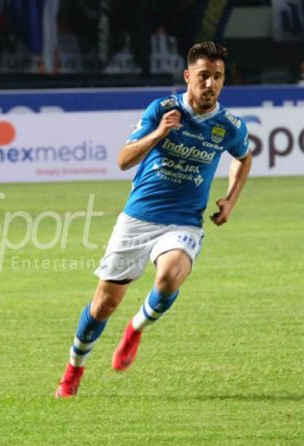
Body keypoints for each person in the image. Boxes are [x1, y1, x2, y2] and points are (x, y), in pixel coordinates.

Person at [55, 41, 253, 397]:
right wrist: (160, 132)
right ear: (188, 76)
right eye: (204, 76)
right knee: (104, 305)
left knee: (168, 278)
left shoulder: (229, 125)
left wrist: (230, 199)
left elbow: (243, 156)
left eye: (218, 77)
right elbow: (123, 160)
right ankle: (73, 370)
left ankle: (135, 330)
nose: (211, 84)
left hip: (184, 221)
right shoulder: (161, 110)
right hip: (139, 218)